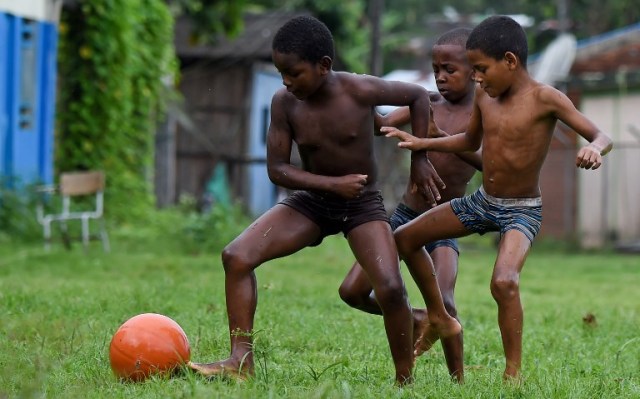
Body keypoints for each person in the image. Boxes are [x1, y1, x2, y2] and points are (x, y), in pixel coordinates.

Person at [188, 15, 460, 385]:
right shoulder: (285, 103)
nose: (286, 81)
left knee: (391, 286)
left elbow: (417, 96)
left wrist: (420, 158)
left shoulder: (359, 90)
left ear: (324, 66)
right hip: (312, 202)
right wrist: (332, 184)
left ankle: (404, 379)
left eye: (294, 73)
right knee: (236, 257)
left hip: (362, 205)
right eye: (280, 71)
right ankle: (240, 360)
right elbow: (278, 169)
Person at [383, 15, 613, 381]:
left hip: (521, 211)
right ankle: (440, 317)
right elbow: (469, 142)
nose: (476, 77)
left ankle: (513, 372)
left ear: (510, 60)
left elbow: (600, 134)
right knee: (405, 237)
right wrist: (424, 141)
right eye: (473, 70)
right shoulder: (484, 98)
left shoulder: (545, 98)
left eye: (481, 69)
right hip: (483, 201)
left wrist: (596, 150)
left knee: (504, 282)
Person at [338, 27, 481, 383]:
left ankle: (458, 379)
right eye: (436, 70)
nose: (441, 77)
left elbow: (487, 162)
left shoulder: (484, 113)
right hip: (405, 216)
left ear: (476, 70)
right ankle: (417, 318)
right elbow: (383, 126)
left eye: (450, 69)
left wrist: (438, 138)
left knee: (446, 302)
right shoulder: (426, 104)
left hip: (446, 221)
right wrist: (360, 101)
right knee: (352, 291)